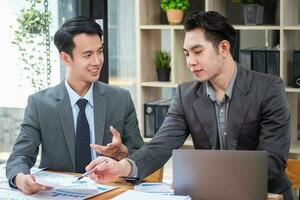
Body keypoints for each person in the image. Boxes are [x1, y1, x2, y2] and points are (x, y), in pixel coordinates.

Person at [86, 11, 292, 199]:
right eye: (186, 53)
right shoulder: (187, 95)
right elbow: (160, 147)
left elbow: (272, 162)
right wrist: (122, 168)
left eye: (198, 51)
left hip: (266, 195)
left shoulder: (269, 88)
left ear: (224, 48)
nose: (190, 61)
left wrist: (202, 177)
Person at [6, 16, 144, 195]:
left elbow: (143, 157)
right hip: (57, 195)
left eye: (100, 52)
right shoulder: (39, 104)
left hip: (109, 193)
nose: (97, 61)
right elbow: (20, 156)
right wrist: (20, 178)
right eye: (87, 55)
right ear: (65, 58)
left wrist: (123, 153)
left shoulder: (120, 99)